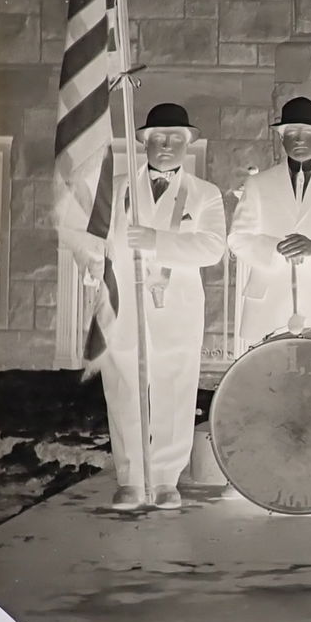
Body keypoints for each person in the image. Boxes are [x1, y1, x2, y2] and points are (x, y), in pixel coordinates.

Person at [59, 103, 227, 511]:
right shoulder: (117, 191)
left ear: (188, 143)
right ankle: (131, 479)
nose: (165, 146)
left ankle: (167, 479)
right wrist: (94, 263)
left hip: (177, 305)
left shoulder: (204, 193)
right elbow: (89, 241)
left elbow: (212, 247)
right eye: (156, 138)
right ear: (143, 142)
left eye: (174, 138)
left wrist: (155, 240)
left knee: (174, 388)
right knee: (124, 387)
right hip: (125, 304)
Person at [228, 97, 311, 347]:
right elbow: (238, 238)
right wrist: (275, 248)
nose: (299, 139)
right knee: (266, 375)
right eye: (292, 132)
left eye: (308, 132)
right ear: (281, 138)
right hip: (269, 300)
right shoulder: (258, 184)